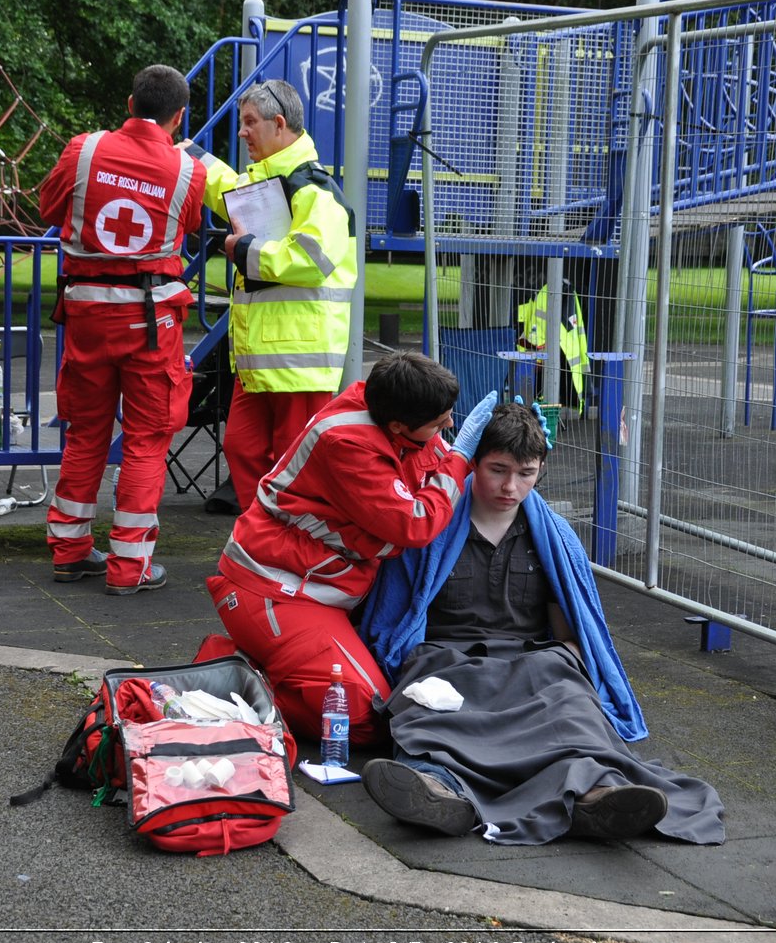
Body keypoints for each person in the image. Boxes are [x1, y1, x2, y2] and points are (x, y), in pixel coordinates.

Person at [357, 404, 725, 845]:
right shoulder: (427, 526)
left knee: (574, 712)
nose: (511, 486)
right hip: (446, 662)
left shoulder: (554, 537)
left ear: (541, 470)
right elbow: (394, 624)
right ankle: (439, 791)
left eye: (526, 473)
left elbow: (569, 632)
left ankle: (598, 797)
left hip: (531, 660)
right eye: (498, 470)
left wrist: (563, 665)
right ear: (473, 462)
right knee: (427, 715)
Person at [207, 352, 498, 743]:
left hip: (314, 587)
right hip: (276, 591)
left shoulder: (389, 405)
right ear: (398, 425)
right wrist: (462, 458)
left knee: (384, 700)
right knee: (361, 717)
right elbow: (414, 522)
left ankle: (263, 666)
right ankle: (224, 680)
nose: (449, 425)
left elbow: (432, 460)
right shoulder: (348, 443)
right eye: (440, 421)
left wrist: (505, 446)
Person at [39, 65, 207, 595]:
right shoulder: (187, 170)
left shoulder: (82, 150)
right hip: (150, 320)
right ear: (179, 117)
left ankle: (68, 552)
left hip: (86, 312)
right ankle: (129, 566)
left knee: (85, 432)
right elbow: (191, 225)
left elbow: (47, 206)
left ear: (129, 101)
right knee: (147, 439)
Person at [179, 78, 355, 510]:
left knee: (292, 465)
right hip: (264, 360)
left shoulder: (313, 189)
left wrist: (246, 250)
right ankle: (264, 540)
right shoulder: (279, 181)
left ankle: (283, 548)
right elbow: (226, 191)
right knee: (242, 448)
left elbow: (312, 260)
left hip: (299, 363)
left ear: (279, 125)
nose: (242, 132)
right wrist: (192, 158)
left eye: (249, 123)